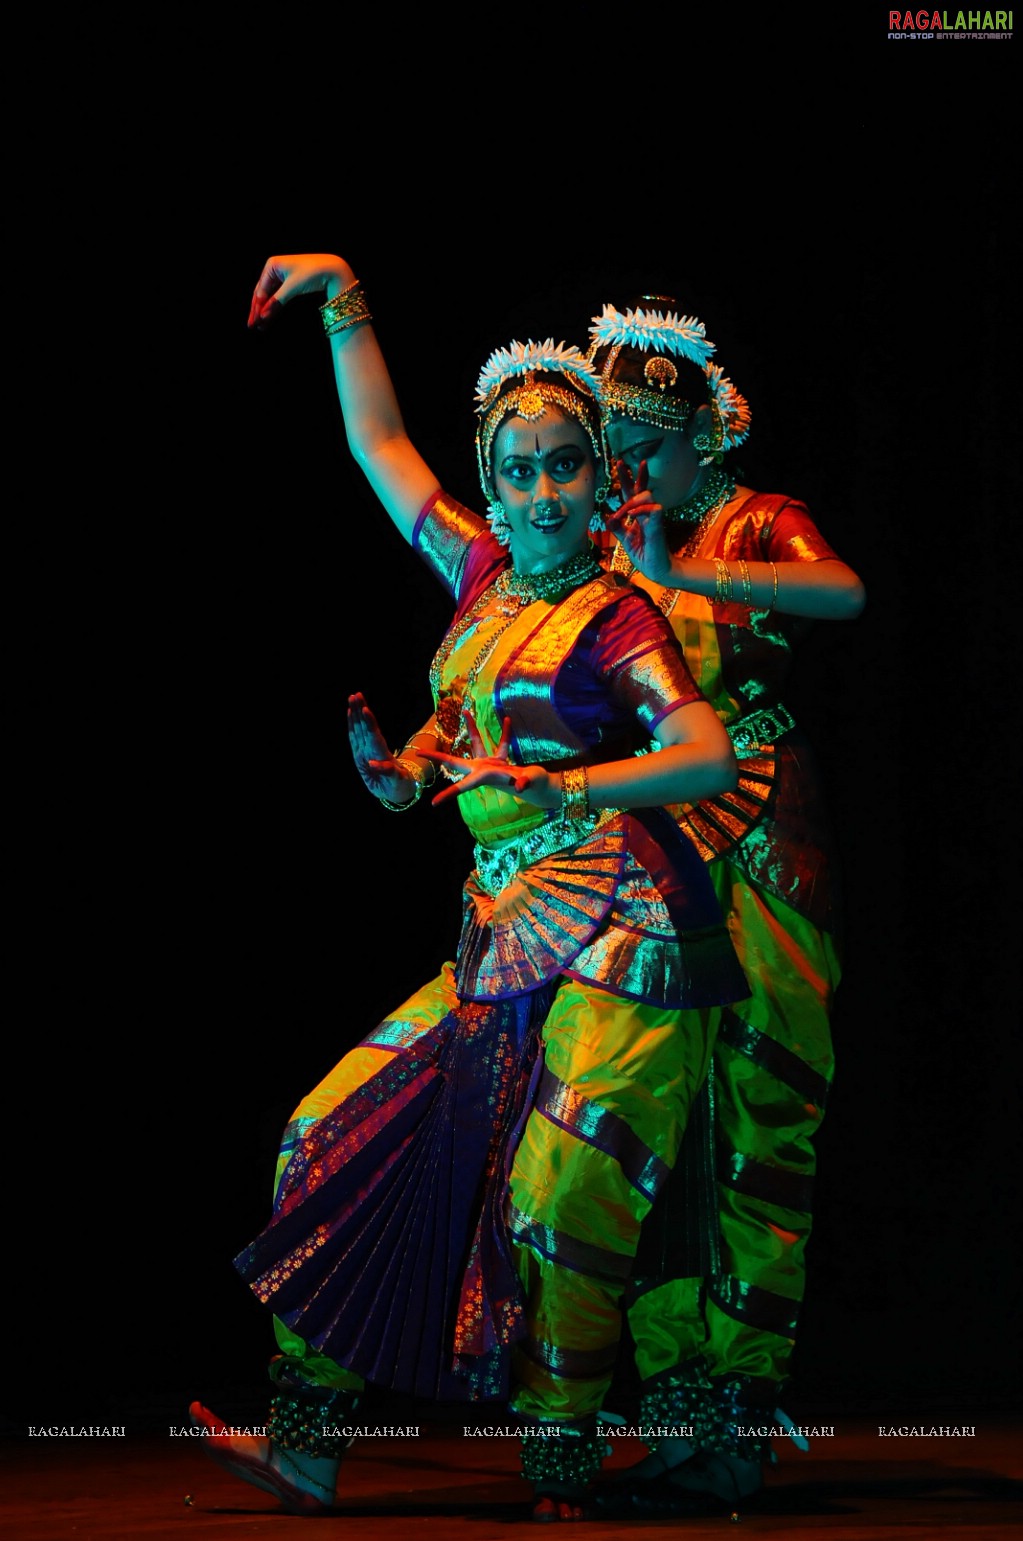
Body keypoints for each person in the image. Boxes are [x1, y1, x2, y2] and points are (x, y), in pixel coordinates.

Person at [189, 254, 752, 1522]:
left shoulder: (620, 619)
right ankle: (309, 1442)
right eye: (519, 469)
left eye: (567, 465)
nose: (543, 491)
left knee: (564, 1196)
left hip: (632, 933)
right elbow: (380, 444)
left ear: (604, 478)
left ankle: (561, 1470)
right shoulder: (483, 576)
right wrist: (345, 300)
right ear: (494, 486)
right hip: (500, 935)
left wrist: (572, 791)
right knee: (329, 1131)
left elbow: (705, 751)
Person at [582, 299, 865, 1512]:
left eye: (650, 441)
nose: (631, 466)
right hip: (645, 859)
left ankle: (743, 1424)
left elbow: (843, 595)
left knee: (760, 1129)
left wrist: (681, 571)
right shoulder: (596, 543)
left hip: (766, 854)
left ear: (708, 436)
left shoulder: (755, 523)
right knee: (654, 1135)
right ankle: (681, 1425)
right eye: (618, 444)